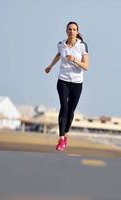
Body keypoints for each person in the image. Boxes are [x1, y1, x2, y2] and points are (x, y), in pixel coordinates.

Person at [45, 21, 89, 151]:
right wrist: (50, 66)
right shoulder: (61, 45)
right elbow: (59, 55)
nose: (71, 31)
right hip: (63, 80)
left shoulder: (82, 46)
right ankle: (61, 138)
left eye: (74, 29)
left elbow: (86, 67)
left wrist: (74, 60)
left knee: (71, 111)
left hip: (77, 83)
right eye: (69, 29)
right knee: (63, 107)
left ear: (77, 31)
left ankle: (66, 132)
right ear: (66, 31)